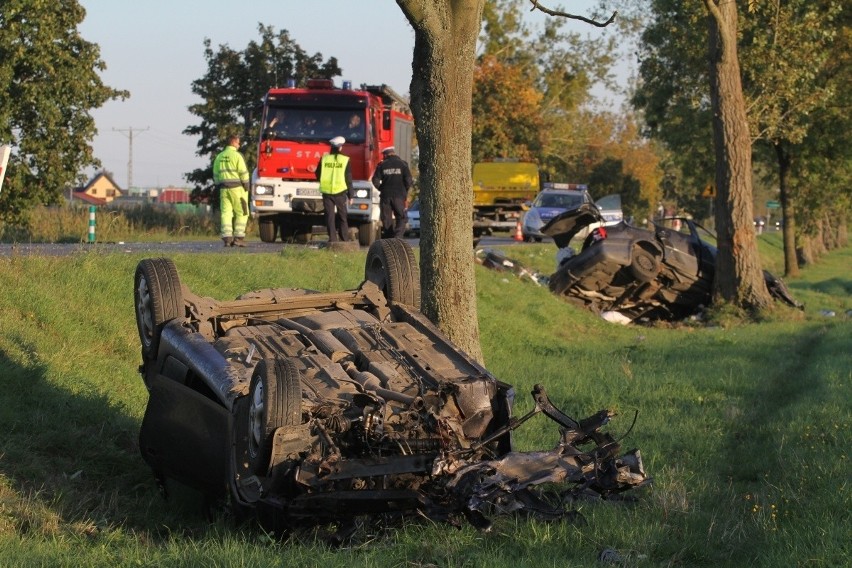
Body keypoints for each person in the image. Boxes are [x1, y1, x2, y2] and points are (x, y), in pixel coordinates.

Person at [212, 134, 250, 247]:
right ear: (233, 143)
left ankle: (227, 238)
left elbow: (215, 175)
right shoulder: (237, 156)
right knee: (242, 212)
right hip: (237, 189)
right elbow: (243, 172)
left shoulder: (219, 156)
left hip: (224, 189)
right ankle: (238, 238)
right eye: (238, 143)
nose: (239, 145)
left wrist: (219, 184)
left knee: (226, 213)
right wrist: (246, 185)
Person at [316, 136, 352, 242]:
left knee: (329, 217)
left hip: (327, 192)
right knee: (342, 217)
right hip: (340, 192)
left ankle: (332, 239)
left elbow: (317, 174)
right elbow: (348, 178)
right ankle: (344, 239)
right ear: (340, 147)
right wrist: (351, 195)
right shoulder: (345, 160)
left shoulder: (324, 158)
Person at [371, 146, 413, 239]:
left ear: (385, 155)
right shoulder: (403, 164)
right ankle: (398, 237)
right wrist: (404, 191)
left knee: (386, 219)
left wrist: (382, 188)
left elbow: (375, 180)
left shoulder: (381, 165)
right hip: (399, 196)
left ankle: (389, 240)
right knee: (402, 217)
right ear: (393, 153)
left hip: (385, 196)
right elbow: (409, 181)